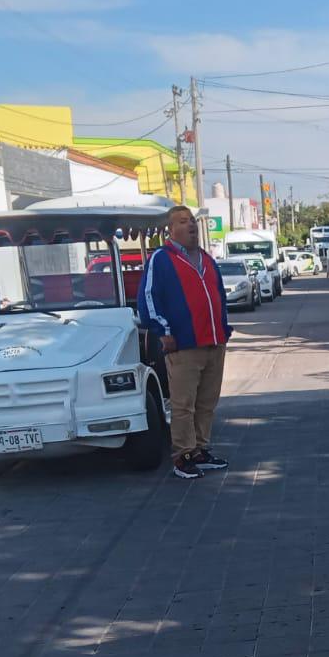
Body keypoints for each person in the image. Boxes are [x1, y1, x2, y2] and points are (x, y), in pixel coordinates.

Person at [138, 206, 233, 481]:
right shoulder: (161, 259)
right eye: (183, 221)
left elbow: (219, 296)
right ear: (171, 229)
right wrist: (163, 331)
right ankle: (183, 456)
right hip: (184, 345)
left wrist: (224, 328)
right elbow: (149, 299)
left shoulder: (206, 259)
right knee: (183, 405)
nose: (191, 225)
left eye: (192, 220)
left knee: (207, 403)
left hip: (214, 343)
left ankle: (201, 450)